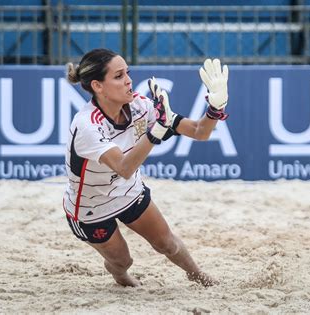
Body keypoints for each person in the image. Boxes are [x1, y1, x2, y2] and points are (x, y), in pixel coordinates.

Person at [63, 48, 229, 287]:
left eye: (127, 72)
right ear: (98, 86)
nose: (129, 80)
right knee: (123, 261)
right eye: (119, 76)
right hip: (90, 208)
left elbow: (198, 132)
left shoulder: (140, 105)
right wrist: (156, 133)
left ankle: (197, 275)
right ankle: (120, 276)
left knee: (167, 244)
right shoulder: (87, 126)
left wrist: (215, 107)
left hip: (128, 192)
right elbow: (123, 167)